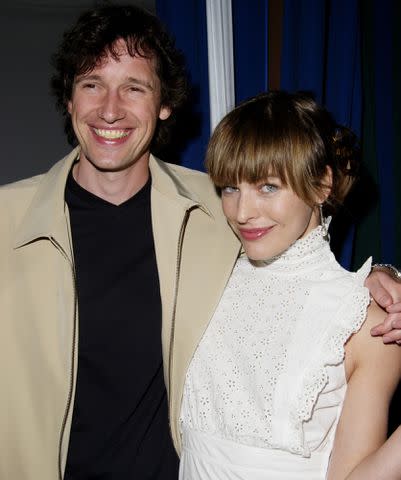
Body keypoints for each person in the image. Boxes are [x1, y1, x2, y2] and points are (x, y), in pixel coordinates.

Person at [0, 5, 400, 480]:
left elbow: (299, 249)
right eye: (91, 84)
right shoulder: (7, 222)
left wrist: (384, 278)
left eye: (134, 87)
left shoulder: (210, 213)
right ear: (68, 99)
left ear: (164, 104)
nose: (110, 109)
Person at [179, 91, 401, 479]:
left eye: (267, 187)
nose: (242, 212)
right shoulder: (209, 271)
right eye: (230, 187)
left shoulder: (365, 322)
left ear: (321, 185)